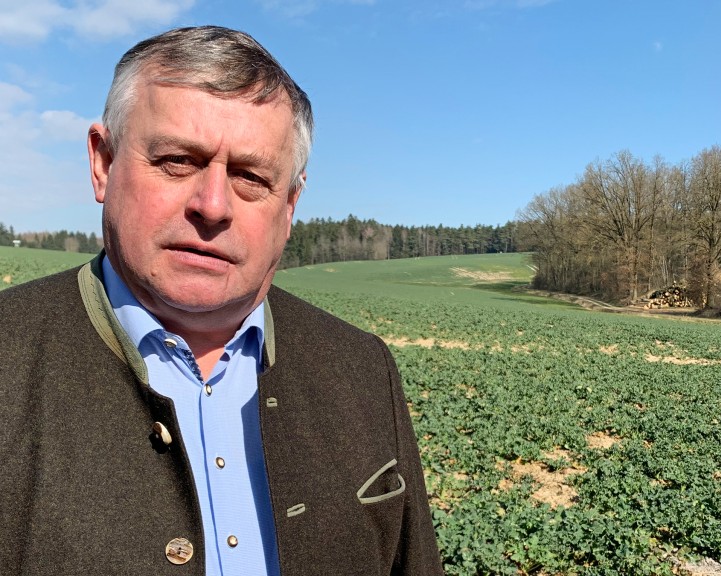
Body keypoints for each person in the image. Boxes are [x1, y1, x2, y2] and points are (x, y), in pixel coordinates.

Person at [0, 26, 443, 576]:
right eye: (177, 161)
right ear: (103, 162)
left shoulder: (362, 369)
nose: (213, 206)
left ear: (290, 204)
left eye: (251, 177)